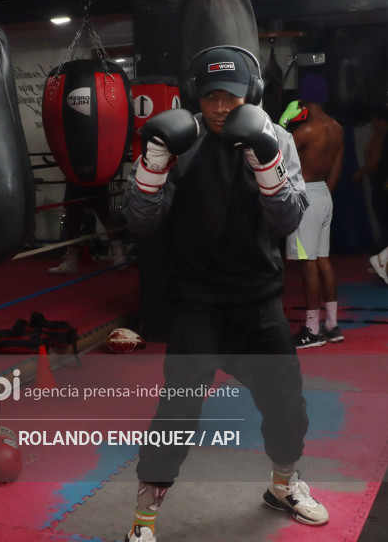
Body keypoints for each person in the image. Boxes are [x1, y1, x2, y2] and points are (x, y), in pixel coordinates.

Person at [122, 46, 327, 542]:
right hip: (198, 303)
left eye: (230, 99)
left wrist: (268, 165)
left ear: (249, 96)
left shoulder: (275, 135)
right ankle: (144, 519)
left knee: (286, 406)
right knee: (177, 411)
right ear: (197, 96)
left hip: (259, 299)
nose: (220, 109)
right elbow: (141, 222)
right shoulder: (179, 138)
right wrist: (152, 164)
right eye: (211, 97)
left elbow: (288, 221)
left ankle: (283, 486)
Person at [281, 74, 345, 347]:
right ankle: (331, 325)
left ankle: (311, 330)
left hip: (305, 194)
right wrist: (321, 199)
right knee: (322, 259)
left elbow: (276, 152)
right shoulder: (336, 128)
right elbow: (336, 170)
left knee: (308, 263)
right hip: (323, 193)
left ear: (302, 100)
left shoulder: (307, 130)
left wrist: (284, 122)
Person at [48, 180, 127, 275]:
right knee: (102, 217)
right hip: (91, 179)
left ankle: (71, 262)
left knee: (76, 219)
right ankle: (119, 258)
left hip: (85, 179)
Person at [354, 104, 388, 284]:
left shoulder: (382, 136)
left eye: (374, 118)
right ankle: (383, 261)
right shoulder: (380, 135)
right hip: (381, 183)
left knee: (385, 224)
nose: (372, 122)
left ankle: (383, 262)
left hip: (383, 185)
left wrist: (359, 173)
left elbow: (374, 163)